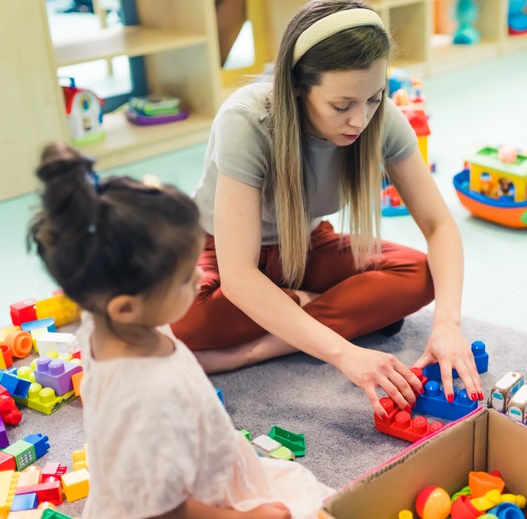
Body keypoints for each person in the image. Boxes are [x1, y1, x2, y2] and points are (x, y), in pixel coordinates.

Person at [171, 0, 483, 416]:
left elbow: (438, 224)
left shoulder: (381, 118)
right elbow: (239, 276)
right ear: (297, 88)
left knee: (420, 275)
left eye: (373, 99)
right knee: (182, 317)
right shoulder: (247, 120)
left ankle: (253, 349)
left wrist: (448, 325)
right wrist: (344, 353)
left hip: (305, 243)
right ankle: (321, 308)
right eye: (341, 106)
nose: (361, 120)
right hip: (219, 248)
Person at [28, 142, 332, 519]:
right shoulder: (147, 395)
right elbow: (166, 511)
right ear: (126, 307)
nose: (202, 276)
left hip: (190, 468)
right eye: (185, 277)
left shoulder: (105, 321)